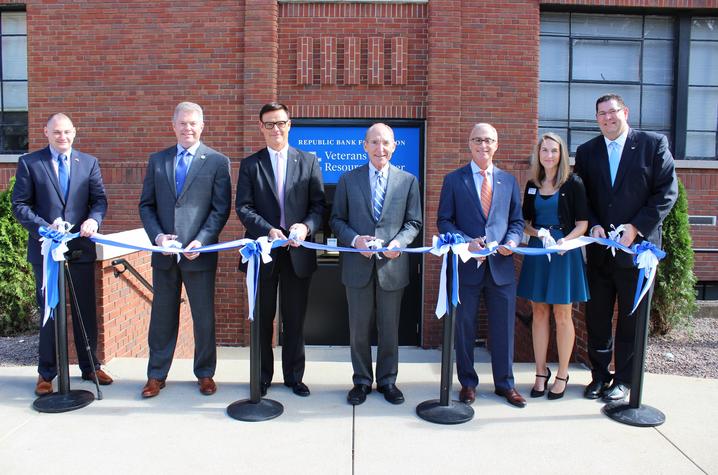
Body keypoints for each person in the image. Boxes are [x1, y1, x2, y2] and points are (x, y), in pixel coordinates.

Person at [574, 93, 677, 402]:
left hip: (638, 252)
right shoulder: (587, 151)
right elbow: (583, 197)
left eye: (613, 111)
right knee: (598, 318)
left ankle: (625, 380)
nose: (608, 118)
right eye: (601, 114)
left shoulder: (652, 144)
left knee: (632, 319)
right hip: (600, 252)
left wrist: (636, 227)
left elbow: (666, 192)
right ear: (596, 119)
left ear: (625, 112)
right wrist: (592, 223)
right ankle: (600, 376)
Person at [12, 112, 112, 395]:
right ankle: (46, 373)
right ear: (46, 132)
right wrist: (46, 228)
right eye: (57, 132)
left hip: (80, 248)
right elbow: (20, 205)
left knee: (85, 310)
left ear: (75, 132)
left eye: (67, 132)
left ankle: (90, 365)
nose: (62, 137)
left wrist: (94, 219)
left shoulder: (88, 163)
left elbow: (99, 199)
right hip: (47, 252)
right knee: (50, 312)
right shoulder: (30, 163)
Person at [138, 102, 231, 398]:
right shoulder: (158, 160)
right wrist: (158, 238)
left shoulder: (217, 161)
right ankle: (156, 375)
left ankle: (205, 374)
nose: (187, 128)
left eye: (193, 123)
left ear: (202, 126)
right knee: (162, 316)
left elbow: (220, 208)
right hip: (164, 255)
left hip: (199, 254)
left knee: (203, 318)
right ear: (173, 125)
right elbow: (146, 205)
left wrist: (202, 240)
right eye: (182, 123)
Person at [236, 102, 325, 398]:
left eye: (281, 123)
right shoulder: (251, 164)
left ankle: (294, 377)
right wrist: (268, 230)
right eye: (270, 124)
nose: (276, 129)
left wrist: (305, 227)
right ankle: (261, 377)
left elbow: (318, 206)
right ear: (261, 127)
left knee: (295, 319)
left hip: (298, 253)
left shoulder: (309, 161)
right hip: (264, 253)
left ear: (290, 125)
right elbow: (244, 207)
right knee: (262, 319)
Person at [330, 123, 422, 405]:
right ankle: (361, 381)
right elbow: (336, 220)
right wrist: (355, 240)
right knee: (358, 328)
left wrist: (399, 243)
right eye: (374, 143)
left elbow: (414, 222)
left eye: (385, 143)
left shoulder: (408, 181)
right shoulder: (348, 179)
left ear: (394, 146)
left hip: (391, 268)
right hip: (357, 268)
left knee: (389, 328)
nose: (380, 148)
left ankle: (387, 381)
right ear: (365, 146)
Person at [437, 123, 526, 408]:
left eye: (488, 140)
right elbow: (444, 221)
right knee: (464, 327)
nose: (483, 145)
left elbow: (516, 222)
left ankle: (505, 384)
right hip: (466, 267)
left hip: (501, 267)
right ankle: (468, 383)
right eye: (477, 140)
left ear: (496, 144)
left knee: (503, 328)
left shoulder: (508, 181)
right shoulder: (453, 180)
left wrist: (511, 241)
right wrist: (465, 241)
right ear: (469, 144)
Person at [517, 132, 590, 400]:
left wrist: (563, 242)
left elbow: (583, 223)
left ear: (561, 154)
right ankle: (540, 372)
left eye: (554, 150)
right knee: (538, 312)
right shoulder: (533, 184)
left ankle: (562, 374)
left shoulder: (574, 184)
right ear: (538, 154)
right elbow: (524, 222)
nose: (549, 155)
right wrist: (538, 234)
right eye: (544, 150)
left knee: (562, 314)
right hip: (539, 250)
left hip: (563, 253)